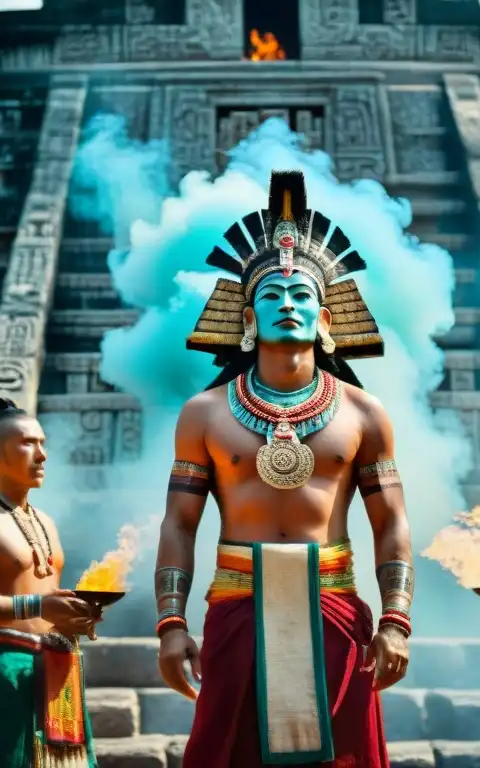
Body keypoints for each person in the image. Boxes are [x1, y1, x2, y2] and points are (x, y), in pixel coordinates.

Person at [154, 170, 413, 767]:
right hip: (236, 607)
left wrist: (397, 621)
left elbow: (392, 522)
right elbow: (179, 524)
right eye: (271, 296)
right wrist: (170, 623)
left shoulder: (365, 414)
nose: (288, 306)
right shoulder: (205, 414)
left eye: (302, 297)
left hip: (336, 607)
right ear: (247, 317)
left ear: (326, 318)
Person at [0, 391, 100, 768]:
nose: (42, 455)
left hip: (57, 665)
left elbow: (47, 598)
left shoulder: (45, 520)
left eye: (42, 443)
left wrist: (76, 614)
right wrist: (38, 605)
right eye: (28, 444)